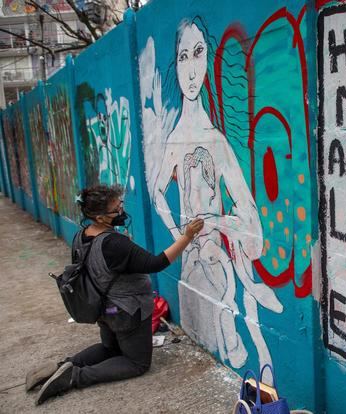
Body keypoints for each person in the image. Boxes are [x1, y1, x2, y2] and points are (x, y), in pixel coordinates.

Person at [152, 16, 281, 374]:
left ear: (208, 60)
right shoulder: (173, 142)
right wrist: (182, 237)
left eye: (198, 54)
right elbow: (157, 194)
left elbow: (250, 219)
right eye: (183, 57)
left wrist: (215, 224)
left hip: (217, 267)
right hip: (191, 273)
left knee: (230, 346)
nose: (191, 70)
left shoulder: (218, 143)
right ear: (174, 64)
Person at [26, 184, 204, 405]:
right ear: (100, 217)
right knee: (137, 363)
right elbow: (156, 263)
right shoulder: (114, 243)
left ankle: (62, 366)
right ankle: (74, 376)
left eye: (120, 205)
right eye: (116, 208)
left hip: (103, 310)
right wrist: (187, 236)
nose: (121, 210)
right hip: (126, 312)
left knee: (110, 348)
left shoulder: (81, 236)